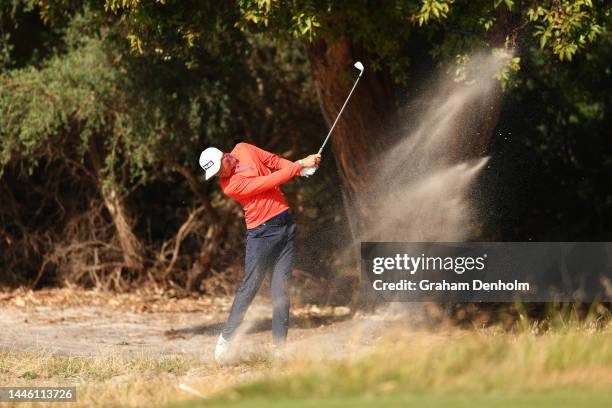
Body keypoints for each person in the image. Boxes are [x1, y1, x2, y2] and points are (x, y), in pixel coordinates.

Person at [199, 142, 321, 361]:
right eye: (215, 173)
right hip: (261, 235)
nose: (220, 174)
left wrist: (300, 170)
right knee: (250, 287)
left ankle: (279, 349)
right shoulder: (230, 186)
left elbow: (273, 162)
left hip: (286, 226)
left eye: (219, 168)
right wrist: (299, 165)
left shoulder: (243, 148)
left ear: (225, 157)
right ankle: (226, 339)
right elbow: (266, 182)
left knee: (281, 290)